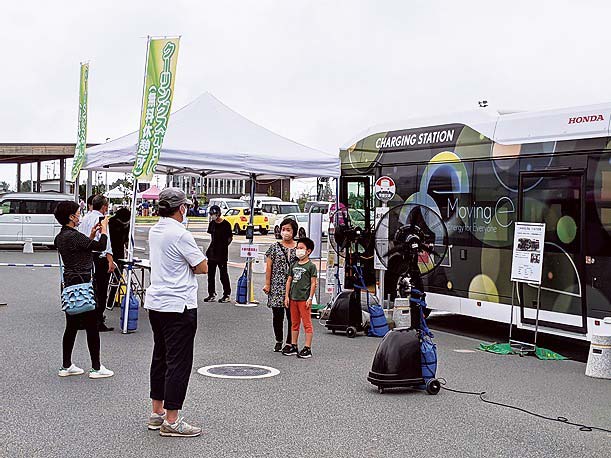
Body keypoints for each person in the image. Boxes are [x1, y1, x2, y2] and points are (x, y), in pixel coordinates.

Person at [145, 188, 208, 437]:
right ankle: (172, 420)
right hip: (179, 304)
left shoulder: (156, 229)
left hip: (157, 301)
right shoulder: (180, 234)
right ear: (181, 207)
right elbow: (201, 266)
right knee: (178, 362)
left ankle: (156, 411)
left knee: (160, 357)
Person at [54, 200, 114, 379]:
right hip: (85, 284)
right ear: (71, 217)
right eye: (78, 212)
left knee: (71, 326)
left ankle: (66, 365)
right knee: (92, 326)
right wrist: (103, 230)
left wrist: (90, 235)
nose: (80, 215)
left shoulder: (61, 237)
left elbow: (80, 250)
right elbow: (100, 247)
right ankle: (96, 367)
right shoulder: (73, 235)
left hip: (70, 284)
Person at [79, 195, 115, 332]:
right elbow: (106, 242)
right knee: (101, 289)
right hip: (99, 256)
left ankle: (85, 318)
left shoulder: (85, 218)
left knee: (89, 288)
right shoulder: (102, 220)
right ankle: (98, 319)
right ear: (104, 206)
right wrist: (110, 260)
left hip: (87, 256)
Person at [263, 218, 298, 352]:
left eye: (288, 230)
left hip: (294, 286)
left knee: (292, 316)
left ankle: (290, 342)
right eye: (283, 229)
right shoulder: (274, 247)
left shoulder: (299, 247)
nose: (285, 232)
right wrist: (267, 284)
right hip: (277, 285)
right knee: (277, 315)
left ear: (294, 231)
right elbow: (269, 267)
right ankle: (278, 340)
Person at [283, 237, 317, 358]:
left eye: (301, 248)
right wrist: (286, 296)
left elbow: (313, 283)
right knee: (294, 323)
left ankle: (307, 347)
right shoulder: (294, 264)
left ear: (309, 251)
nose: (298, 250)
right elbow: (289, 281)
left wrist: (310, 298)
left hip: (304, 299)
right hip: (293, 298)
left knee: (307, 323)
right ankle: (294, 345)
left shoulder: (311, 266)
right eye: (297, 248)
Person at [204, 205, 232, 303]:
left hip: (222, 253)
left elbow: (230, 238)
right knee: (211, 275)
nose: (212, 216)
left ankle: (226, 294)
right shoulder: (212, 224)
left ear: (218, 214)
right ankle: (211, 294)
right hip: (212, 252)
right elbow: (212, 236)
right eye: (211, 214)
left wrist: (223, 246)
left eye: (214, 214)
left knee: (223, 274)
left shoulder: (226, 225)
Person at [106, 207, 131, 309]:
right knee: (113, 278)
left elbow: (127, 239)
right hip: (112, 252)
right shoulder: (111, 223)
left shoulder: (122, 224)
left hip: (117, 253)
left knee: (116, 278)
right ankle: (110, 301)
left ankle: (111, 300)